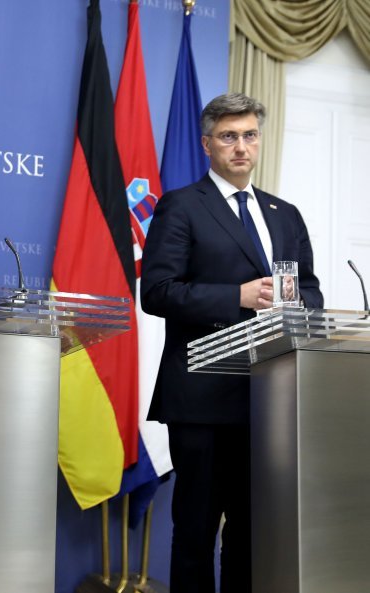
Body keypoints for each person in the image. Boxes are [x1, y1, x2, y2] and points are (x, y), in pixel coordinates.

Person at [141, 92, 323, 593]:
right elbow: (156, 293)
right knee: (196, 533)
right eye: (228, 137)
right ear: (207, 145)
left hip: (268, 400)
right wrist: (237, 296)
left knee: (252, 534)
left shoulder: (283, 214)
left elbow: (309, 289)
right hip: (201, 398)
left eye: (249, 135)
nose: (240, 147)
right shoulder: (181, 206)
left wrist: (298, 309)